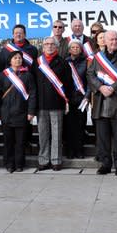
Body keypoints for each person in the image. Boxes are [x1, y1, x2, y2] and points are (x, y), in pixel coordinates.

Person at [87, 30, 117, 175]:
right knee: (102, 137)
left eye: (116, 39)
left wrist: (113, 88)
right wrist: (100, 87)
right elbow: (90, 74)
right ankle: (105, 163)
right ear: (105, 41)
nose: (114, 42)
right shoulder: (98, 57)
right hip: (101, 101)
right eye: (111, 40)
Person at [0, 51, 36, 172]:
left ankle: (19, 164)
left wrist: (31, 112)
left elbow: (32, 94)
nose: (18, 60)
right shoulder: (3, 75)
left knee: (20, 141)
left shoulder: (28, 75)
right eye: (15, 58)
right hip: (6, 113)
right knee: (8, 141)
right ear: (10, 60)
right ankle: (9, 164)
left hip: (22, 113)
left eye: (19, 58)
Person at [35, 36, 71, 171]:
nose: (49, 46)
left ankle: (56, 160)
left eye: (52, 44)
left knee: (56, 134)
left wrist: (66, 101)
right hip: (41, 104)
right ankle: (43, 160)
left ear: (56, 47)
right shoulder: (37, 63)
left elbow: (68, 84)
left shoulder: (63, 63)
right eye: (47, 44)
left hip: (57, 103)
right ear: (43, 47)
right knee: (43, 133)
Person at [64, 39, 88, 159]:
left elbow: (88, 80)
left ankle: (79, 150)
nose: (75, 49)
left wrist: (87, 96)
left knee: (80, 125)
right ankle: (70, 150)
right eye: (72, 47)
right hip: (69, 98)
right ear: (69, 50)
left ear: (81, 49)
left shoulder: (86, 62)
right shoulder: (65, 62)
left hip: (81, 98)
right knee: (69, 125)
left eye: (77, 47)